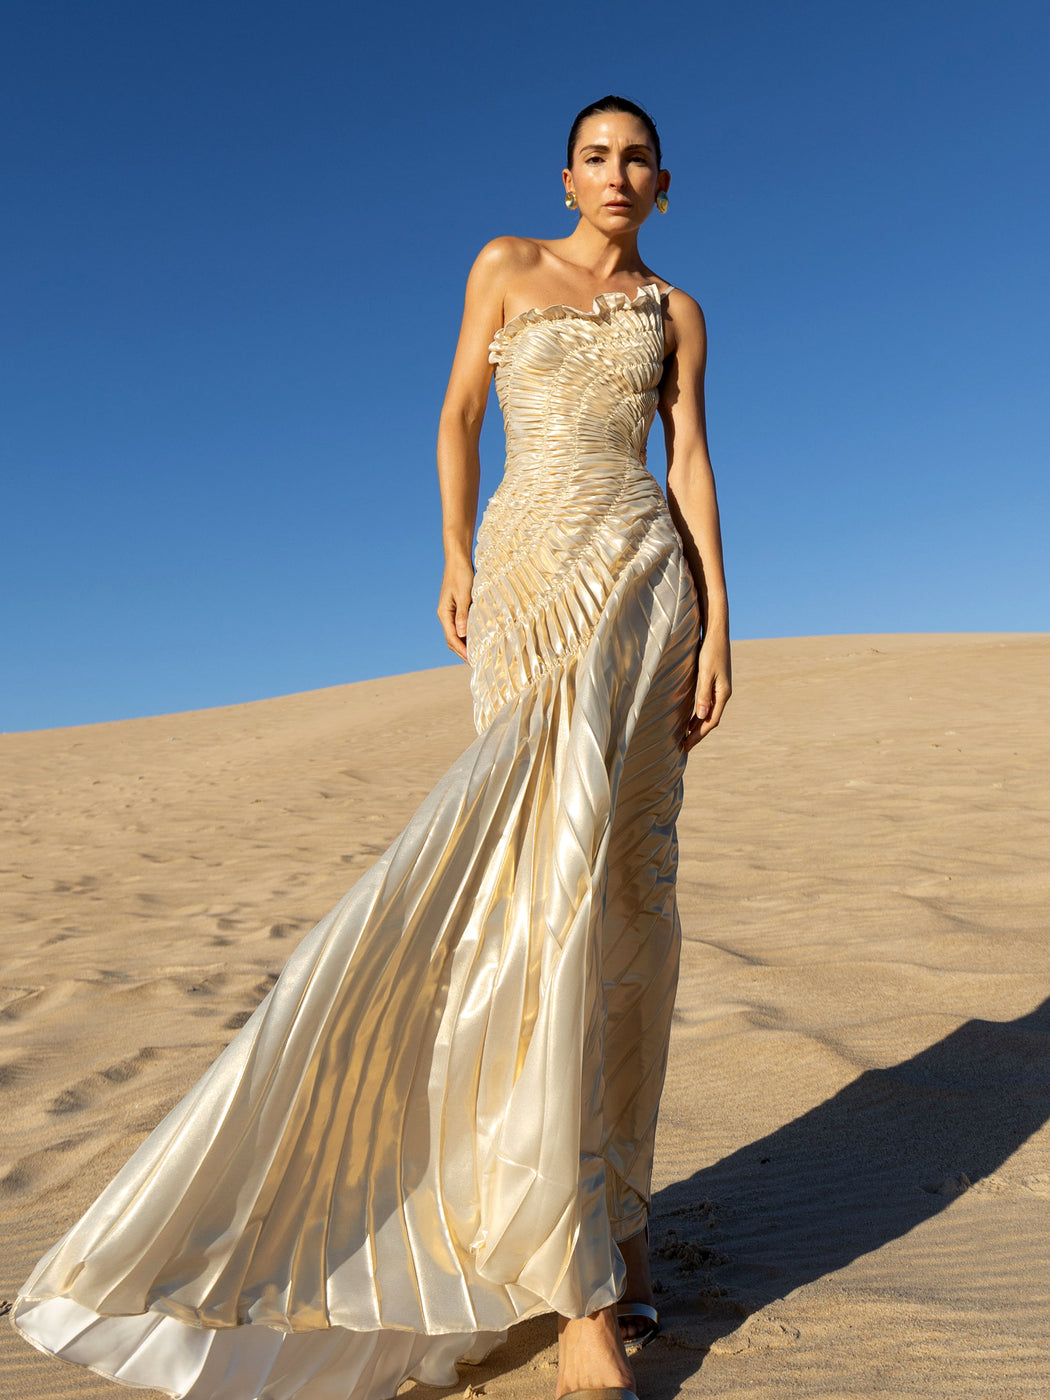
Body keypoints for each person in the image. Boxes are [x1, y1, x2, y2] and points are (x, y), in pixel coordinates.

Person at [12, 94, 731, 1400]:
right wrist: (454, 553)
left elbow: (687, 462)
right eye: (594, 156)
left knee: (630, 902)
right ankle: (571, 1289)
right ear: (564, 173)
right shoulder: (503, 266)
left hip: (642, 590)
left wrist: (722, 614)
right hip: (530, 585)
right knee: (540, 900)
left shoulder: (676, 312)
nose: (614, 175)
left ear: (662, 184)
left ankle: (616, 1232)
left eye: (637, 161)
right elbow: (459, 416)